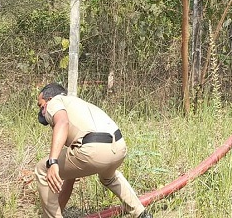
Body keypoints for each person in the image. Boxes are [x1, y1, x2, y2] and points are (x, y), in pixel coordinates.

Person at [34, 82, 152, 218]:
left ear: (49, 99)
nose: (41, 110)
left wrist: (53, 162)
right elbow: (70, 179)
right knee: (109, 178)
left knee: (42, 169)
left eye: (40, 104)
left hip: (93, 148)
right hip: (118, 147)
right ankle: (141, 214)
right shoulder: (78, 105)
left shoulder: (54, 102)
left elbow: (62, 122)